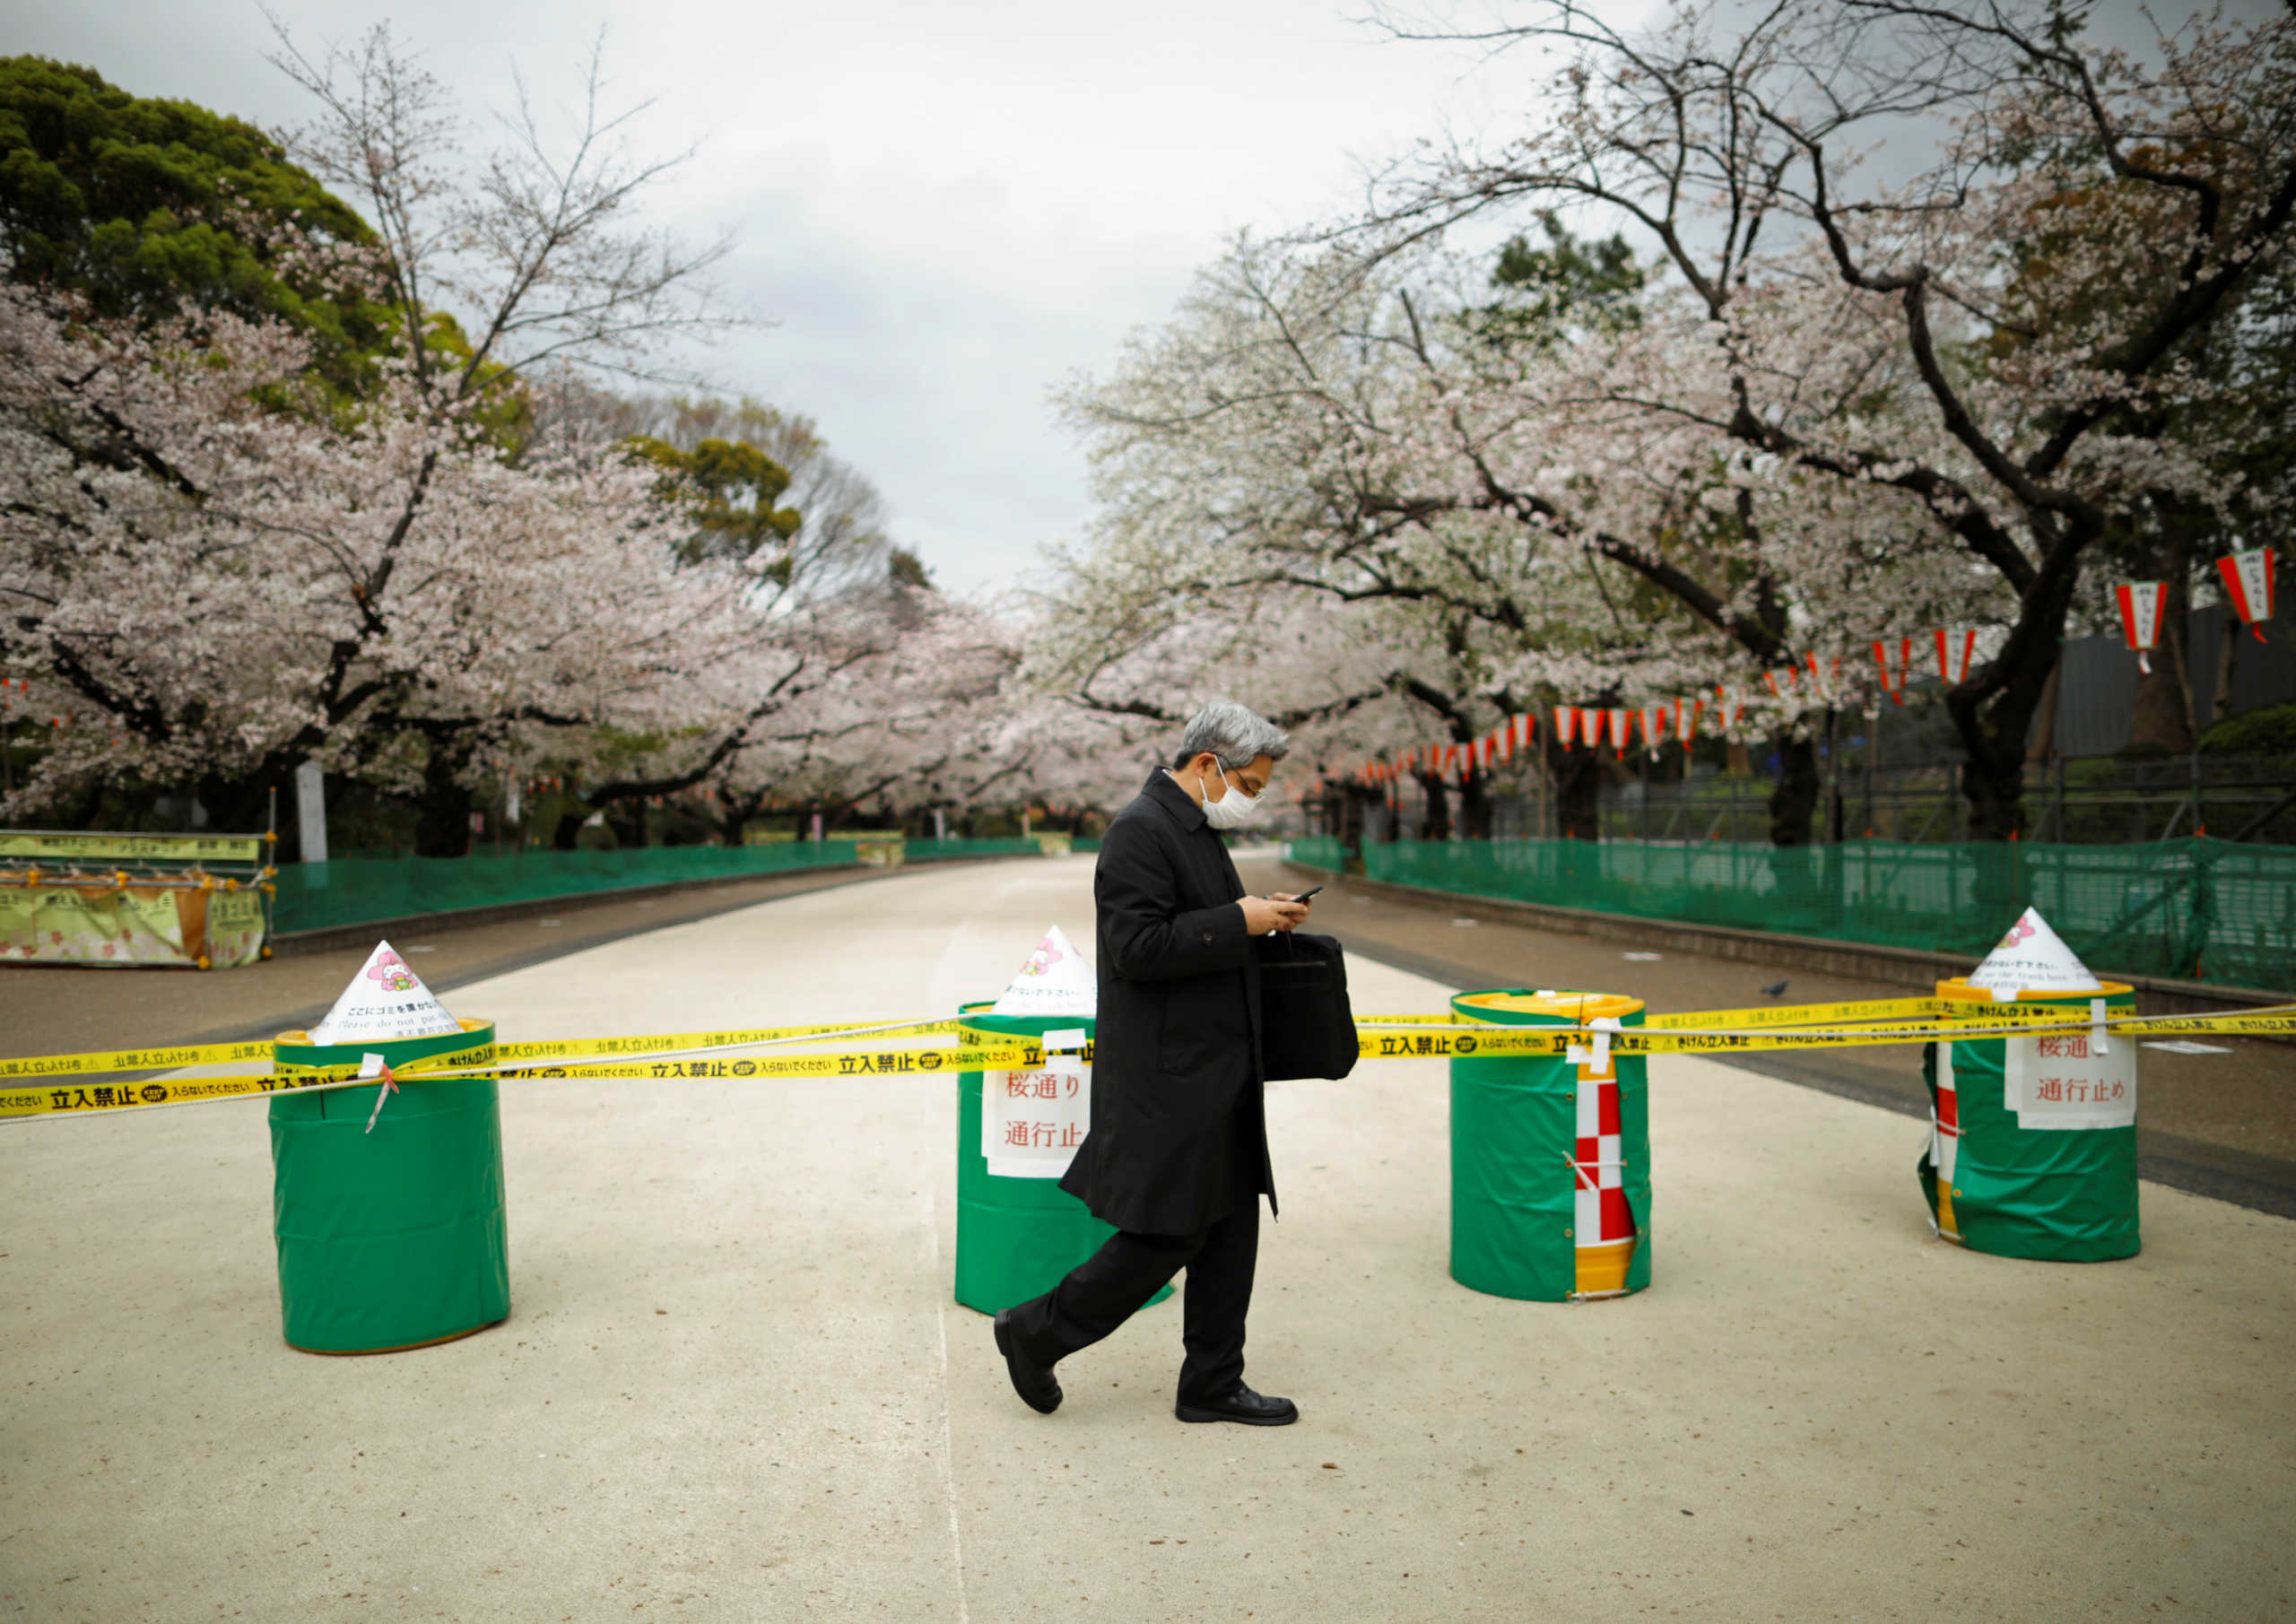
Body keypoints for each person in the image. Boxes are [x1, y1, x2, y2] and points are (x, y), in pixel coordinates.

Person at [993, 701, 1312, 1426]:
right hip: (1173, 1077)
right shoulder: (1140, 830)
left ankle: (1212, 1379)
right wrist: (1240, 920)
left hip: (1217, 1067)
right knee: (1166, 1233)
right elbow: (1137, 948)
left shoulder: (1189, 827)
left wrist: (1258, 911)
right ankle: (1034, 1331)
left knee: (1231, 1224)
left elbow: (1195, 919)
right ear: (1208, 766)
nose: (1251, 800)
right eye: (1250, 786)